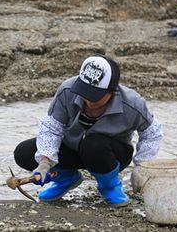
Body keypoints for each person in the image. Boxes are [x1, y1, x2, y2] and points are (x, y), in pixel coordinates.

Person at [13, 55, 163, 207]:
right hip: (72, 148)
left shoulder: (132, 103)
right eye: (85, 92)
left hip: (109, 155)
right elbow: (52, 127)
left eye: (95, 95)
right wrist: (45, 163)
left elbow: (152, 132)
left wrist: (142, 167)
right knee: (24, 152)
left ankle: (109, 187)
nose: (89, 101)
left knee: (94, 144)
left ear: (112, 91)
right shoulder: (67, 90)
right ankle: (66, 178)